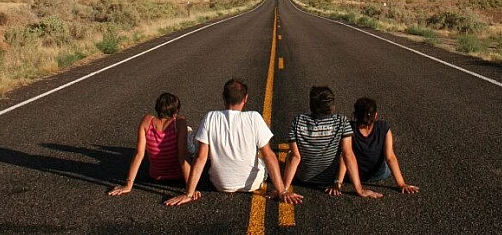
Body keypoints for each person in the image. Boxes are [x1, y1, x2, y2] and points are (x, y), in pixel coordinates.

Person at [165, 79, 302, 206]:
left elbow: (200, 158)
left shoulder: (210, 117)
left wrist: (189, 193)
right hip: (252, 184)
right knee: (262, 157)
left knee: (208, 158)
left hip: (220, 184)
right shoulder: (254, 117)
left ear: (224, 98)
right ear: (245, 98)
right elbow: (269, 156)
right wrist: (282, 191)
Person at [283, 86, 381, 199]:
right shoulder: (341, 121)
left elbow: (295, 157)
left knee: (291, 153)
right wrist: (360, 189)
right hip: (329, 180)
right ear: (332, 107)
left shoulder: (298, 120)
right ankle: (337, 181)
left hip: (303, 177)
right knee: (344, 151)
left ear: (311, 106)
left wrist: (284, 189)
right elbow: (348, 155)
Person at [109, 92, 192, 195]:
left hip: (155, 175)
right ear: (176, 112)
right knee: (190, 141)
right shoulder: (180, 122)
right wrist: (190, 188)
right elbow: (182, 155)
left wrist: (128, 185)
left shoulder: (147, 121)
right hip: (179, 175)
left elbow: (139, 154)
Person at [335, 97, 419, 194]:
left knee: (345, 153)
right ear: (375, 116)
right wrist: (401, 184)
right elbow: (390, 157)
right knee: (386, 165)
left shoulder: (348, 128)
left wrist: (338, 183)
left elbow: (346, 157)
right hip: (378, 174)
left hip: (352, 176)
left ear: (355, 115)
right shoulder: (383, 127)